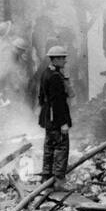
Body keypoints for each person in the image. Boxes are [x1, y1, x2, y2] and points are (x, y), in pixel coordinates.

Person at [37, 44, 72, 188]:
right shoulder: (56, 77)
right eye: (63, 58)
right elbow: (59, 102)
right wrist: (63, 122)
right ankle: (59, 182)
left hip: (47, 118)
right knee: (61, 148)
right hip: (56, 119)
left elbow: (41, 97)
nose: (65, 61)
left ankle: (46, 180)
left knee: (49, 148)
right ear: (56, 59)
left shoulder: (46, 73)